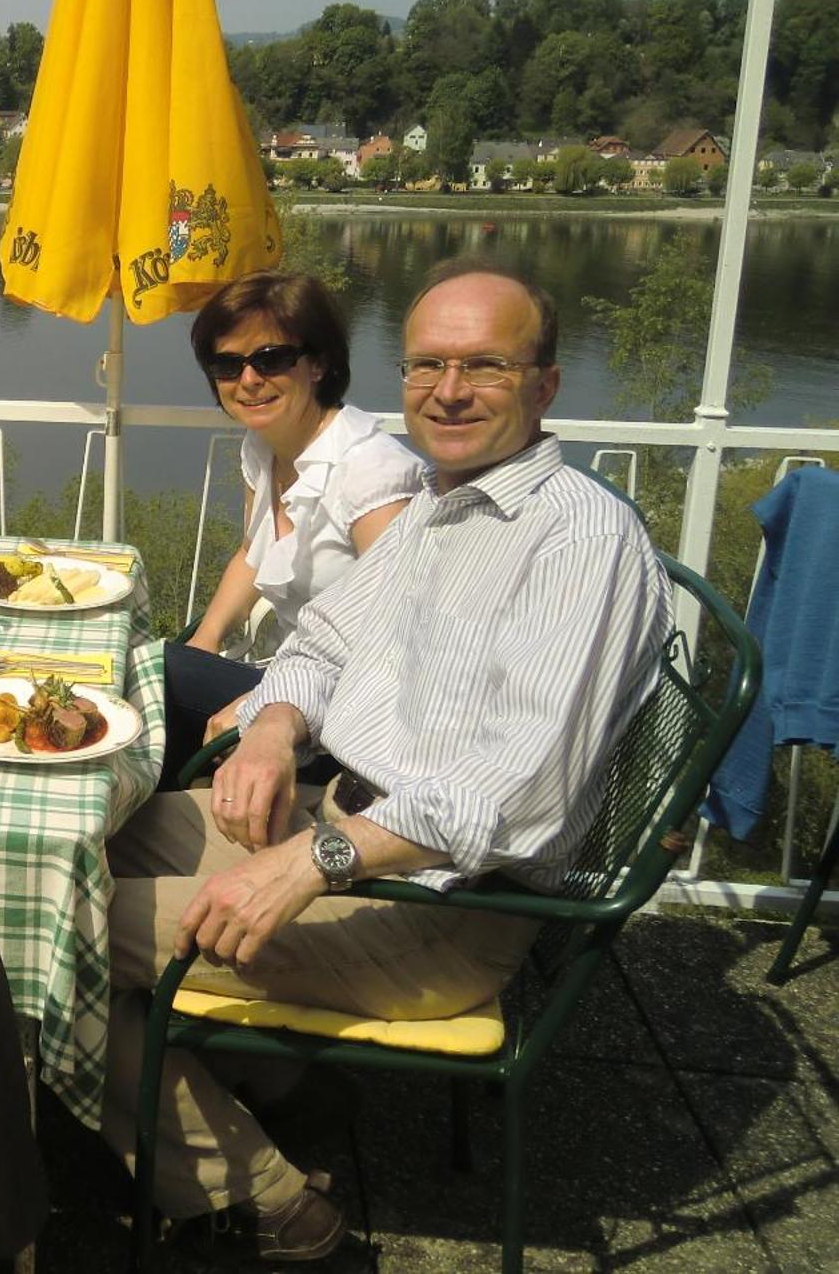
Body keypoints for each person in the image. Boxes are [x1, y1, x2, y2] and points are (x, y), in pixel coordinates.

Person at [100, 257, 672, 1260]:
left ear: (541, 384)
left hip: (437, 913)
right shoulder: (445, 507)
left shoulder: (577, 541)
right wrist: (273, 732)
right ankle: (274, 1079)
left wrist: (309, 859)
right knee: (93, 830)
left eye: (481, 366)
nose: (445, 391)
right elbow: (319, 641)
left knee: (50, 928)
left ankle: (274, 1204)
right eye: (424, 367)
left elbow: (511, 796)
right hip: (342, 828)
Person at [163, 272, 425, 786]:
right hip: (285, 679)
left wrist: (265, 704)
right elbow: (251, 555)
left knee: (155, 680)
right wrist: (207, 639)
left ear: (320, 363)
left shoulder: (371, 473)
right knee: (160, 678)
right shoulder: (265, 450)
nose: (249, 379)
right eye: (227, 365)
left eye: (272, 358)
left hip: (343, 721)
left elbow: (395, 640)